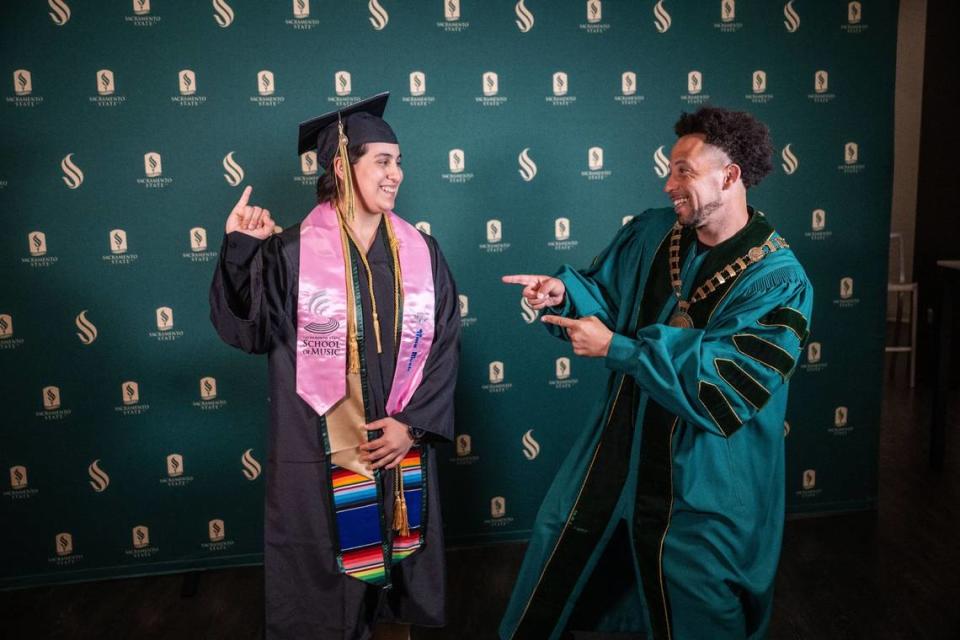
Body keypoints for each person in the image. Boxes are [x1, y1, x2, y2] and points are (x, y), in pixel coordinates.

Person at [500, 106, 813, 640]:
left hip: (707, 479)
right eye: (670, 170)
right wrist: (563, 293)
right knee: (562, 557)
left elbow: (724, 386)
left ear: (729, 176)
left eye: (684, 172)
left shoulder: (778, 281)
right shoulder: (654, 233)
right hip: (619, 451)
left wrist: (621, 349)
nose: (669, 184)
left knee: (696, 600)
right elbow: (602, 294)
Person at [209, 93, 460, 640]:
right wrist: (239, 252)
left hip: (398, 441)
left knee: (395, 564)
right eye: (384, 161)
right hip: (317, 443)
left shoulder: (422, 251)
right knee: (322, 578)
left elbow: (444, 344)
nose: (398, 173)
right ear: (342, 166)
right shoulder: (290, 252)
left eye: (399, 161)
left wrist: (411, 426)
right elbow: (247, 332)